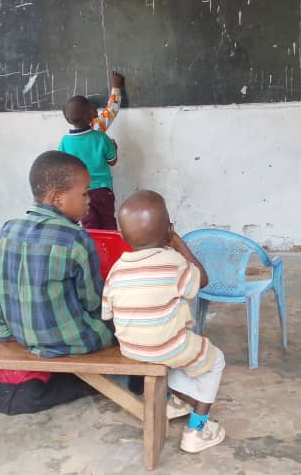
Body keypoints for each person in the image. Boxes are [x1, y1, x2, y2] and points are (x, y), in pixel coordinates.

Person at [0, 151, 115, 413]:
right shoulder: (77, 240)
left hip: (19, 336)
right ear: (57, 198)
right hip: (68, 341)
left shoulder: (8, 229)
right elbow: (92, 301)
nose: (89, 201)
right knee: (122, 322)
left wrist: (6, 335)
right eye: (84, 193)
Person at [105, 190, 228, 453]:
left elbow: (108, 312)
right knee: (214, 360)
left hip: (131, 348)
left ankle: (172, 402)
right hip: (167, 347)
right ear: (168, 229)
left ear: (123, 236)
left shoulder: (117, 269)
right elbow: (202, 280)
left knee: (166, 346)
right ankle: (197, 429)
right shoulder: (174, 263)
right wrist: (179, 243)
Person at [58, 71, 125, 230]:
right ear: (92, 114)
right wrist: (116, 87)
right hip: (102, 190)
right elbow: (112, 160)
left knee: (90, 227)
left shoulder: (65, 141)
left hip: (80, 191)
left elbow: (62, 167)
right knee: (109, 224)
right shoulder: (100, 134)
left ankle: (92, 246)